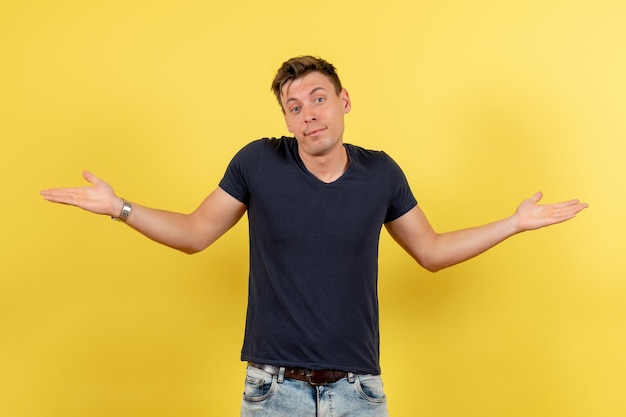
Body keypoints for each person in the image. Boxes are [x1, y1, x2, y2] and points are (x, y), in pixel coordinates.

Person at [40, 56, 588, 416]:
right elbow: (194, 233)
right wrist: (121, 208)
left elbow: (432, 251)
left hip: (358, 392)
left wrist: (513, 224)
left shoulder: (381, 174)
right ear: (285, 115)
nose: (308, 115)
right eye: (294, 107)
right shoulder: (258, 162)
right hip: (273, 391)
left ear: (344, 101)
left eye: (318, 99)